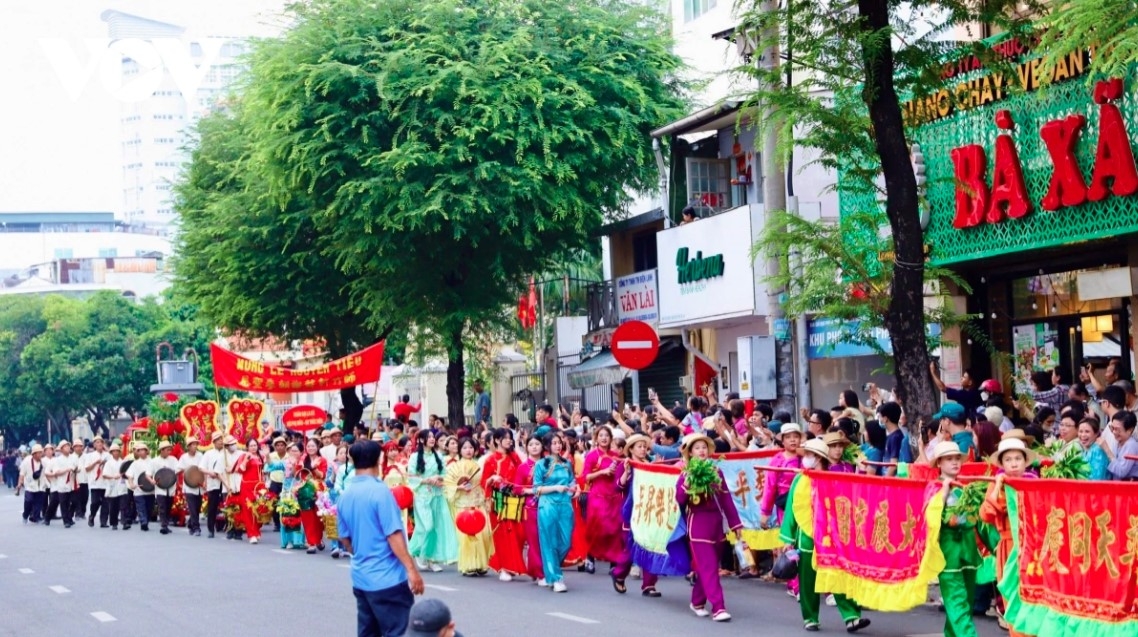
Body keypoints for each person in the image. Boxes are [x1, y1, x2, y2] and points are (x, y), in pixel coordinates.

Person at [782, 438, 871, 633]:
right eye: (806, 454)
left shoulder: (833, 479)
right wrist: (787, 539)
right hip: (807, 537)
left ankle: (851, 616)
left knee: (837, 576)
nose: (806, 458)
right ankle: (810, 617)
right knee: (807, 579)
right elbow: (791, 509)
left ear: (819, 458)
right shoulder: (800, 479)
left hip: (831, 537)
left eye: (810, 455)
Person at [338, 440, 425, 637]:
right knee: (398, 631)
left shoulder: (346, 494)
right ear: (379, 459)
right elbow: (393, 534)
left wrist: (360, 551)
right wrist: (411, 569)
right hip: (387, 579)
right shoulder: (380, 491)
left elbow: (344, 539)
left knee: (368, 632)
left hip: (361, 576)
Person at [677, 433, 744, 622]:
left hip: (717, 525)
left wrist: (736, 524)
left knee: (709, 567)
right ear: (690, 452)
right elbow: (679, 500)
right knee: (709, 567)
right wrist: (687, 485)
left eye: (704, 447)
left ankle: (697, 601)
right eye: (697, 448)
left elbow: (726, 500)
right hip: (698, 525)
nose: (702, 451)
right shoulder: (686, 473)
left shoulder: (716, 471)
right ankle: (719, 607)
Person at [979, 438, 1037, 637]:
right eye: (1009, 460)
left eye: (1018, 459)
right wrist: (997, 487)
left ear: (1025, 462)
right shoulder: (999, 486)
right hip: (1008, 548)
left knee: (1032, 597)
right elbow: (985, 514)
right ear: (1002, 464)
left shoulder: (1035, 485)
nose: (1013, 463)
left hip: (1032, 548)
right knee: (1012, 596)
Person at [932, 440, 981, 637]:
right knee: (957, 603)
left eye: (957, 458)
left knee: (965, 604)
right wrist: (943, 494)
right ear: (939, 464)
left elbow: (980, 521)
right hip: (948, 555)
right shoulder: (934, 488)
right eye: (949, 459)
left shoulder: (966, 489)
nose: (954, 462)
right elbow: (931, 518)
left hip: (968, 554)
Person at [613, 433, 661, 597]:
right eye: (639, 446)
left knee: (650, 547)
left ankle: (649, 585)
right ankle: (619, 574)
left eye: (644, 446)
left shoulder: (650, 464)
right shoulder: (625, 464)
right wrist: (626, 473)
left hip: (649, 511)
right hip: (631, 512)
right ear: (631, 449)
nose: (642, 449)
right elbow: (618, 487)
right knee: (631, 548)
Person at [532, 432, 578, 592]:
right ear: (547, 446)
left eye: (559, 442)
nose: (558, 445)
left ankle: (550, 569)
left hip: (565, 505)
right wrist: (555, 488)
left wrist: (575, 489)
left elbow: (572, 480)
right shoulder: (541, 465)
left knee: (566, 542)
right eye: (554, 443)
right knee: (549, 541)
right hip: (547, 505)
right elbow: (536, 488)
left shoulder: (567, 463)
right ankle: (556, 578)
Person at [408, 429, 458, 571]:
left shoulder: (439, 456)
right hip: (422, 496)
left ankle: (432, 558)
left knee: (436, 528)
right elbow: (411, 477)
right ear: (421, 440)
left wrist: (439, 478)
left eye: (432, 437)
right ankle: (419, 552)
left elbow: (445, 474)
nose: (432, 439)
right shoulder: (414, 457)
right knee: (427, 526)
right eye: (428, 437)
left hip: (437, 495)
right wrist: (426, 480)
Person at [481, 428, 526, 581]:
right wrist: (492, 480)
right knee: (503, 534)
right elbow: (484, 482)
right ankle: (503, 567)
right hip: (499, 500)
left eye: (510, 438)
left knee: (519, 534)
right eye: (506, 438)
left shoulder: (515, 458)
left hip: (514, 500)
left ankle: (512, 565)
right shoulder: (490, 460)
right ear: (497, 440)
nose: (509, 441)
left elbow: (523, 476)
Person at [582, 425, 626, 581]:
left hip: (614, 496)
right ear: (596, 438)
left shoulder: (616, 456)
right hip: (597, 496)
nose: (604, 438)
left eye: (607, 435)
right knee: (597, 527)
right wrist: (602, 472)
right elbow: (585, 477)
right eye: (601, 435)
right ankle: (590, 557)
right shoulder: (592, 456)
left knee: (614, 529)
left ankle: (613, 561)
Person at [445, 437, 492, 576]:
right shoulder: (453, 467)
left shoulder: (479, 465)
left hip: (478, 503)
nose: (468, 450)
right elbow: (448, 486)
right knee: (466, 537)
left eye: (471, 447)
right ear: (460, 450)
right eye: (465, 447)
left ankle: (481, 564)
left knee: (483, 535)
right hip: (463, 506)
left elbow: (483, 484)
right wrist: (458, 487)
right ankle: (469, 566)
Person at [513, 435, 545, 584]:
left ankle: (536, 568)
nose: (534, 447)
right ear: (526, 448)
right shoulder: (523, 467)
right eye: (531, 444)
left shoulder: (548, 464)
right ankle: (539, 573)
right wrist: (533, 491)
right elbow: (517, 489)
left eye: (537, 443)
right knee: (535, 540)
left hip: (549, 506)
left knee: (548, 540)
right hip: (531, 507)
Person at [299, 437, 330, 552]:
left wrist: (314, 468)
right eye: (308, 446)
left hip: (319, 491)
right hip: (305, 491)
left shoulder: (322, 460)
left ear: (317, 447)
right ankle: (311, 542)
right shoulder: (302, 459)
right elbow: (299, 475)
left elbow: (322, 475)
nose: (310, 448)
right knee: (307, 518)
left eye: (313, 446)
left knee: (319, 518)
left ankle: (318, 539)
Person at [45, 440, 77, 527]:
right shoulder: (57, 460)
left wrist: (75, 470)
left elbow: (76, 467)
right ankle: (59, 520)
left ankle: (68, 518)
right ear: (61, 449)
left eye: (68, 446)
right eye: (65, 446)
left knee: (71, 502)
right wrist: (66, 470)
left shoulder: (73, 458)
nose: (67, 448)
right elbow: (55, 472)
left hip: (70, 484)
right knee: (57, 503)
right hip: (59, 484)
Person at [124, 442, 155, 532]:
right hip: (138, 490)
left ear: (146, 451)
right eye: (139, 450)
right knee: (141, 507)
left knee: (149, 508)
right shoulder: (135, 463)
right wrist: (131, 484)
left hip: (150, 490)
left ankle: (146, 520)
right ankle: (143, 522)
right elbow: (130, 475)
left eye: (142, 450)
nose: (141, 452)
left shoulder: (152, 462)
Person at [178, 436, 205, 536]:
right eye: (192, 444)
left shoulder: (200, 456)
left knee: (197, 508)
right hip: (189, 486)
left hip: (199, 485)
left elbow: (203, 468)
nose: (195, 446)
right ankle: (196, 528)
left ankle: (191, 522)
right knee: (192, 507)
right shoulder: (184, 457)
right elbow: (178, 469)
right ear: (188, 447)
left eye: (195, 444)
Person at [202, 431, 226, 539]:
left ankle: (230, 528)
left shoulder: (226, 452)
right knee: (212, 507)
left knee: (229, 505)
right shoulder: (208, 454)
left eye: (222, 439)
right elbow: (201, 467)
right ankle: (211, 529)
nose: (221, 441)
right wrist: (209, 473)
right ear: (214, 442)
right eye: (218, 439)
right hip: (213, 483)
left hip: (225, 483)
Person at [152, 441, 180, 535]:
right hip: (160, 488)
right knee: (162, 506)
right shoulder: (155, 461)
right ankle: (163, 525)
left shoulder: (173, 460)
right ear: (162, 450)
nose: (169, 452)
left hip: (171, 487)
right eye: (167, 450)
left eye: (169, 450)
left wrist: (172, 474)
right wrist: (152, 481)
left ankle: (166, 524)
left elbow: (178, 469)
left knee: (168, 507)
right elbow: (149, 473)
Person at [1102, 411, 1138, 480]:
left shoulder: (1131, 445)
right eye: (1112, 428)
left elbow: (1121, 472)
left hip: (1128, 487)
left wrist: (1107, 450)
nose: (1114, 432)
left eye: (1117, 429)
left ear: (1129, 430)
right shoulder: (1118, 442)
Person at [17, 444, 47, 524]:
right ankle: (25, 515)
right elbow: (22, 473)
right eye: (38, 453)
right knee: (29, 501)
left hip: (40, 487)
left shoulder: (43, 462)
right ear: (33, 454)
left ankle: (36, 517)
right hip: (30, 486)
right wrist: (20, 483)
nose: (40, 454)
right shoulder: (26, 461)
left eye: (41, 452)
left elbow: (46, 474)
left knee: (38, 503)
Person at [83, 438, 109, 527]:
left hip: (105, 481)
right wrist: (96, 463)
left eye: (101, 442)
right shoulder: (90, 456)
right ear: (94, 445)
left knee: (106, 503)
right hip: (95, 482)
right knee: (95, 502)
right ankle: (92, 515)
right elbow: (87, 468)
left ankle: (103, 521)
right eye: (97, 442)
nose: (100, 444)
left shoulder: (107, 455)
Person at [102, 442, 127, 529]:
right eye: (114, 451)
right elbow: (104, 475)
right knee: (113, 507)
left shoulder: (123, 462)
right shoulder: (108, 463)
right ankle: (114, 523)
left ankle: (124, 522)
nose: (116, 453)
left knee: (124, 505)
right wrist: (113, 477)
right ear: (111, 452)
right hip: (112, 486)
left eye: (117, 451)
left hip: (122, 486)